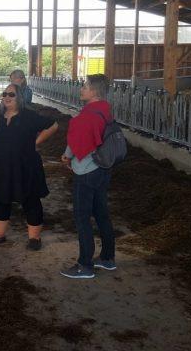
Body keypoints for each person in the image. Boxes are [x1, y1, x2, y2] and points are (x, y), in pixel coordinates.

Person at [0, 83, 58, 251]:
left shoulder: (28, 116)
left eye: (11, 94)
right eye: (5, 94)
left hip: (25, 165)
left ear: (20, 97)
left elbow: (53, 125)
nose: (7, 97)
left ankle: (34, 238)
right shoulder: (1, 116)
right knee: (0, 197)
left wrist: (36, 142)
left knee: (30, 198)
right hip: (0, 165)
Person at [59, 74, 117, 279]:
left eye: (85, 86)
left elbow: (76, 141)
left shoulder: (88, 115)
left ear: (94, 91)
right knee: (101, 213)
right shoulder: (105, 110)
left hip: (86, 170)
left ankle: (85, 265)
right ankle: (108, 258)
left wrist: (67, 157)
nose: (81, 89)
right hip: (103, 168)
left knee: (82, 217)